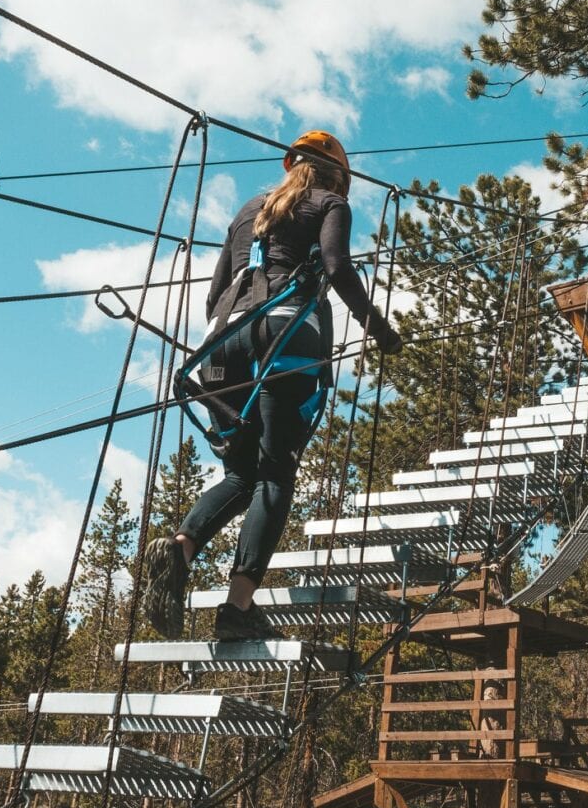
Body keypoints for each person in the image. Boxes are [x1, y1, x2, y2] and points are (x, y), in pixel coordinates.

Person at [140, 130, 402, 642]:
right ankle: (238, 607)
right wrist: (380, 329)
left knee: (241, 471)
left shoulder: (247, 210)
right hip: (286, 334)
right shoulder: (331, 203)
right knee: (276, 472)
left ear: (289, 166)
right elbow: (336, 266)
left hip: (221, 342)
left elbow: (215, 293)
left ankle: (180, 548)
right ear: (340, 177)